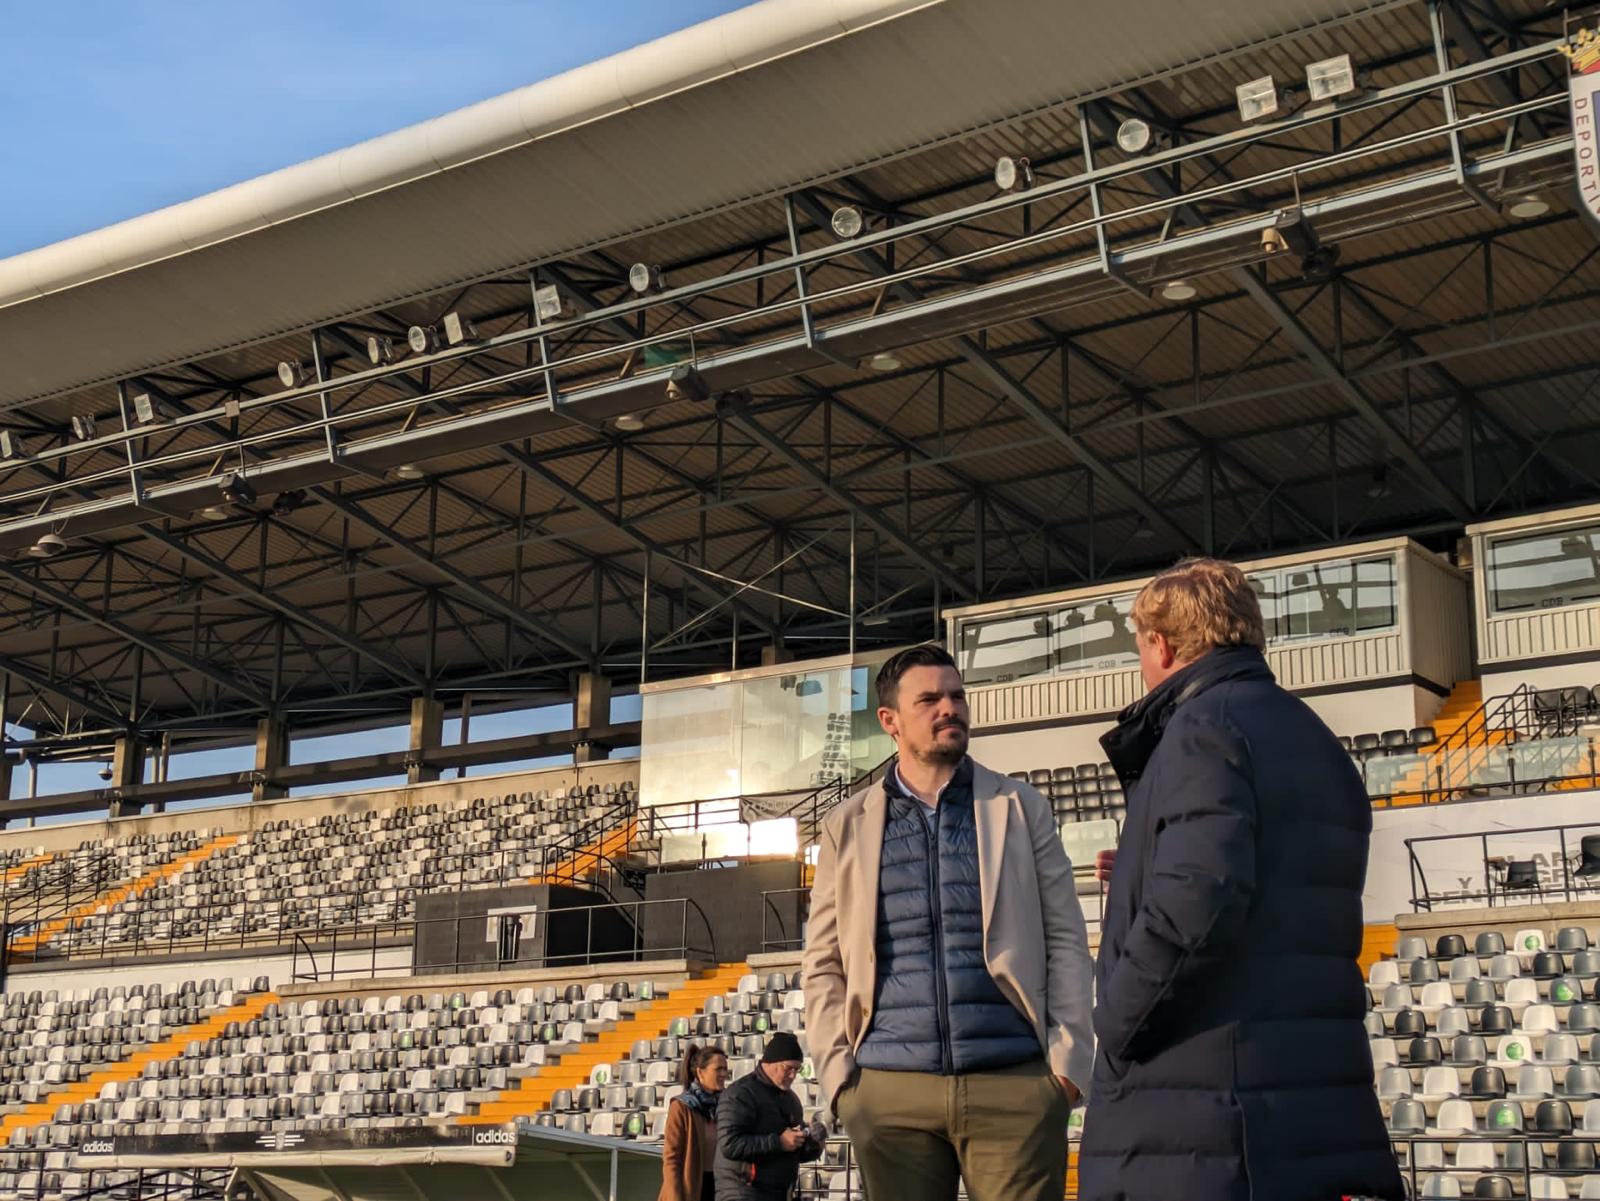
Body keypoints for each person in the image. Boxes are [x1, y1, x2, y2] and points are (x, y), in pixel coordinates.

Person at [1080, 558, 1403, 1201]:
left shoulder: (1202, 729)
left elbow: (1200, 902)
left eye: (1140, 647)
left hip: (1207, 1104)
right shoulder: (1311, 734)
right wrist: (1142, 875)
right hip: (1305, 1084)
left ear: (1161, 644)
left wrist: (1116, 1019)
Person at [802, 644, 1094, 1201]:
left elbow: (1066, 938)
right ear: (890, 721)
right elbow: (823, 961)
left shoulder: (1020, 806)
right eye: (929, 699)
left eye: (957, 696)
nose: (949, 709)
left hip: (1015, 1083)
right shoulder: (848, 823)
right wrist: (842, 1084)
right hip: (888, 1091)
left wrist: (1066, 1067)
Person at [714, 1032, 823, 1200]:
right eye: (788, 1068)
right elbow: (730, 1144)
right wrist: (779, 1142)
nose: (793, 1075)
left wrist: (813, 1143)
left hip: (778, 1193)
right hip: (743, 1192)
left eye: (797, 1069)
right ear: (770, 1063)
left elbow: (793, 1152)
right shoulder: (739, 1094)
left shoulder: (791, 1099)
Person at [660, 1044, 729, 1201]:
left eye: (725, 1069)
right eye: (718, 1069)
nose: (724, 1074)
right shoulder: (682, 1107)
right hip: (691, 1191)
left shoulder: (727, 1105)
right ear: (700, 1072)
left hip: (721, 1189)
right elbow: (671, 1159)